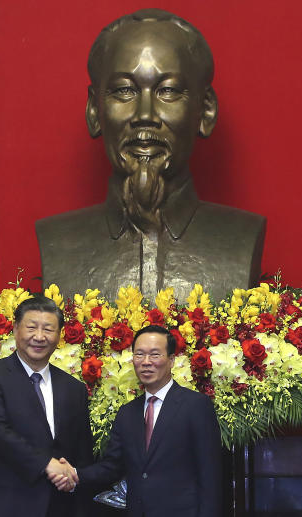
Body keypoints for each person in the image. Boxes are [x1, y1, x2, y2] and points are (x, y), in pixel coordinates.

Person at [36, 9, 265, 301]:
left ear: (205, 110)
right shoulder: (58, 240)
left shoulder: (241, 237)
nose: (145, 115)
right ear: (94, 110)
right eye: (124, 91)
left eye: (167, 91)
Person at [52, 325, 223, 517]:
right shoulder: (128, 413)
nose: (146, 362)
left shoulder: (195, 406)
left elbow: (211, 473)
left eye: (155, 355)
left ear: (172, 360)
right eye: (139, 354)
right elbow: (111, 466)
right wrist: (75, 474)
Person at [0, 295, 92, 517]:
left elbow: (83, 452)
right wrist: (45, 464)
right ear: (15, 330)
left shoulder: (73, 388)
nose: (39, 336)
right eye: (31, 327)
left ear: (59, 336)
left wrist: (82, 512)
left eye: (48, 329)